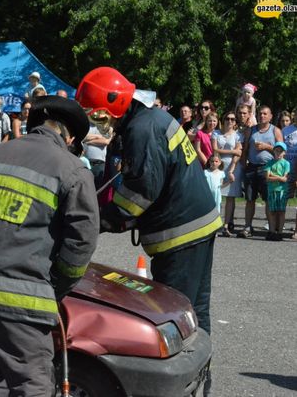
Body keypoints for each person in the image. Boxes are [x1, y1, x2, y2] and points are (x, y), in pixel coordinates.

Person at [0, 95, 99, 395]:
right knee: (33, 383)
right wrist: (55, 288)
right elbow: (81, 242)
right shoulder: (72, 169)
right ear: (69, 138)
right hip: (18, 300)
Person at [75, 67, 222, 337]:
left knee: (174, 313)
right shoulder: (152, 119)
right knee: (196, 309)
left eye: (99, 115)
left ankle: (181, 374)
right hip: (198, 224)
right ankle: (202, 373)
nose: (99, 122)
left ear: (114, 105)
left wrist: (102, 219)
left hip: (180, 233)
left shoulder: (142, 130)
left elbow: (141, 192)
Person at [238, 106, 283, 238]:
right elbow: (245, 149)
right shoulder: (251, 130)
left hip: (268, 168)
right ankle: (247, 227)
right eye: (260, 113)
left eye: (265, 114)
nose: (262, 116)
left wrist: (267, 147)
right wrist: (244, 165)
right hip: (252, 167)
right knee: (250, 199)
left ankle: (271, 230)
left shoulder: (275, 130)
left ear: (270, 116)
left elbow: (281, 151)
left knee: (268, 200)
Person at [212, 111, 243, 236]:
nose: (230, 121)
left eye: (233, 119)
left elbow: (239, 153)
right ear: (223, 120)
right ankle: (214, 222)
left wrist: (232, 168)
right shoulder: (216, 133)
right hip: (218, 166)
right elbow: (214, 149)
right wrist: (232, 150)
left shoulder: (238, 135)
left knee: (230, 197)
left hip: (232, 166)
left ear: (235, 122)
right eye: (227, 118)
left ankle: (226, 224)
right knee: (216, 194)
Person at [264, 142, 291, 241]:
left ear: (284, 152)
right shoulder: (269, 163)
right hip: (272, 190)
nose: (279, 153)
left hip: (282, 191)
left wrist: (273, 176)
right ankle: (271, 231)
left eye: (281, 151)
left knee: (281, 212)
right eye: (277, 150)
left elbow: (285, 178)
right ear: (274, 151)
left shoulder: (286, 163)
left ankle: (280, 232)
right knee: (272, 212)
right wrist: (279, 178)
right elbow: (267, 177)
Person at [279, 111, 297, 239]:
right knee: (282, 199)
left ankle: (296, 230)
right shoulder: (286, 130)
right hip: (286, 169)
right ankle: (278, 227)